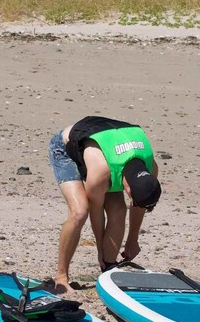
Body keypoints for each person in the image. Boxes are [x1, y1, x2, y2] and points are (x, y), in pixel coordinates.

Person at [49, 116, 162, 294]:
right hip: (67, 148)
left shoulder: (151, 168)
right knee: (80, 212)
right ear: (129, 191)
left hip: (105, 150)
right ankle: (61, 276)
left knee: (118, 210)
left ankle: (108, 267)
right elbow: (97, 213)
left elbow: (138, 205)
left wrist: (133, 240)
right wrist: (99, 250)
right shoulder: (102, 173)